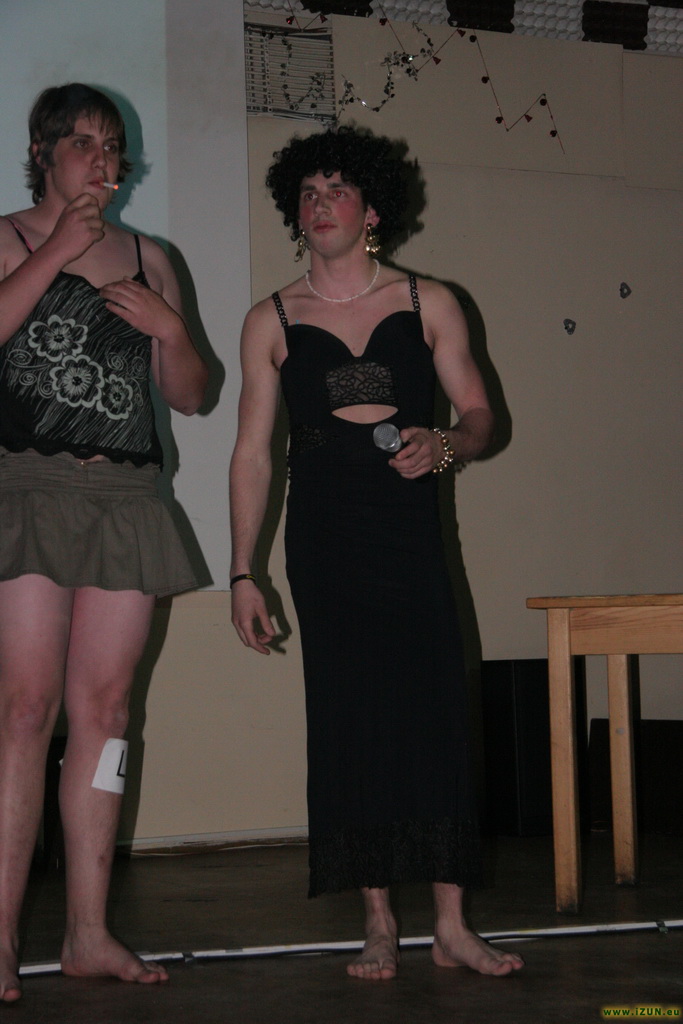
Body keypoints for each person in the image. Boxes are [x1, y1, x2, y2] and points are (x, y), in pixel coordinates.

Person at [229, 126, 524, 981]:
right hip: (324, 539)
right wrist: (243, 570)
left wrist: (446, 444)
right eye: (307, 192)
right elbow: (252, 454)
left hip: (408, 533)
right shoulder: (271, 318)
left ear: (371, 210)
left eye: (337, 189)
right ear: (295, 212)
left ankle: (452, 925)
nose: (320, 203)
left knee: (433, 714)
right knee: (349, 719)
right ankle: (378, 923)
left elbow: (481, 417)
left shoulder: (429, 301)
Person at [0, 83, 208, 1002]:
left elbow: (192, 395)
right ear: (42, 153)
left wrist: (171, 330)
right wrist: (56, 251)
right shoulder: (9, 238)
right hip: (28, 490)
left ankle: (87, 932)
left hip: (126, 500)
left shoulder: (153, 257)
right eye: (81, 141)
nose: (100, 158)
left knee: (109, 713)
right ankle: (0, 936)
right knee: (23, 709)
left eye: (111, 145)